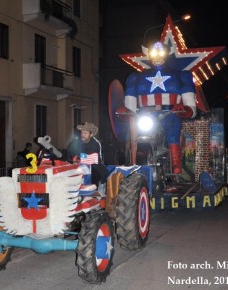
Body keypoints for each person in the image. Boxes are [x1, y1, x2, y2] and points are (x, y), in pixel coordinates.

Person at [124, 41, 197, 174]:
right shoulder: (136, 77)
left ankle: (176, 167)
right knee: (135, 135)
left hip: (170, 113)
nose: (157, 56)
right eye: (154, 53)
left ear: (167, 54)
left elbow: (190, 106)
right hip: (146, 114)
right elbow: (130, 101)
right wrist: (128, 112)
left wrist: (186, 109)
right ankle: (134, 163)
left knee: (173, 136)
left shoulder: (181, 75)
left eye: (161, 52)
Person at [68, 122, 109, 195]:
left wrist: (78, 156)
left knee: (97, 175)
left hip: (95, 166)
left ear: (91, 134)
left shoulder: (95, 143)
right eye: (82, 133)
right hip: (81, 166)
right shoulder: (79, 142)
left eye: (85, 133)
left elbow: (91, 158)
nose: (82, 135)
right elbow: (71, 151)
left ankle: (100, 191)